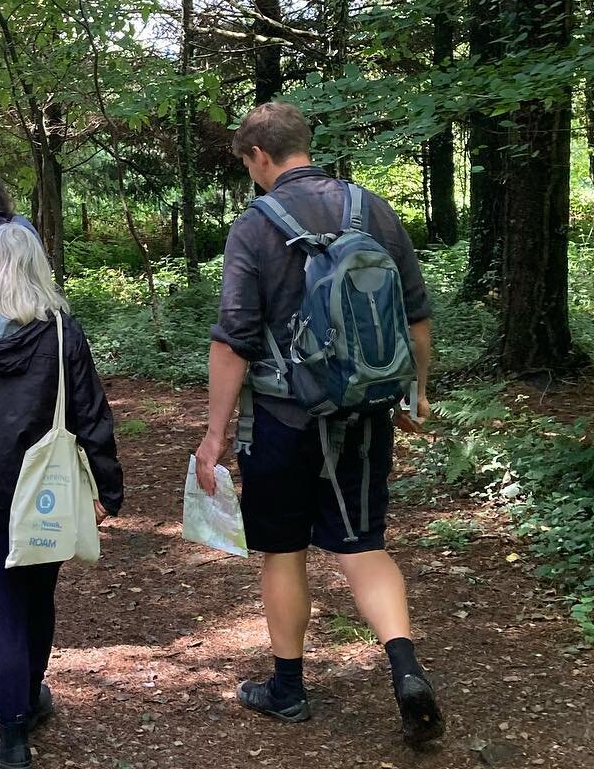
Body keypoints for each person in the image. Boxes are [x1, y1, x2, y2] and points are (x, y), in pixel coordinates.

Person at [193, 101, 444, 746]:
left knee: (284, 549)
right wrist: (415, 393)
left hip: (281, 416)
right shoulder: (371, 208)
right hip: (364, 409)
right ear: (306, 143)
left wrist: (216, 433)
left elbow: (233, 341)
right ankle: (405, 667)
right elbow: (415, 317)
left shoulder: (255, 227)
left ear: (258, 157)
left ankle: (287, 688)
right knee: (363, 543)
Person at [0, 223, 123, 768]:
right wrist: (108, 487)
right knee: (37, 595)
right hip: (46, 489)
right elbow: (90, 412)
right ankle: (28, 698)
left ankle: (11, 733)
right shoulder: (60, 332)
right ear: (38, 267)